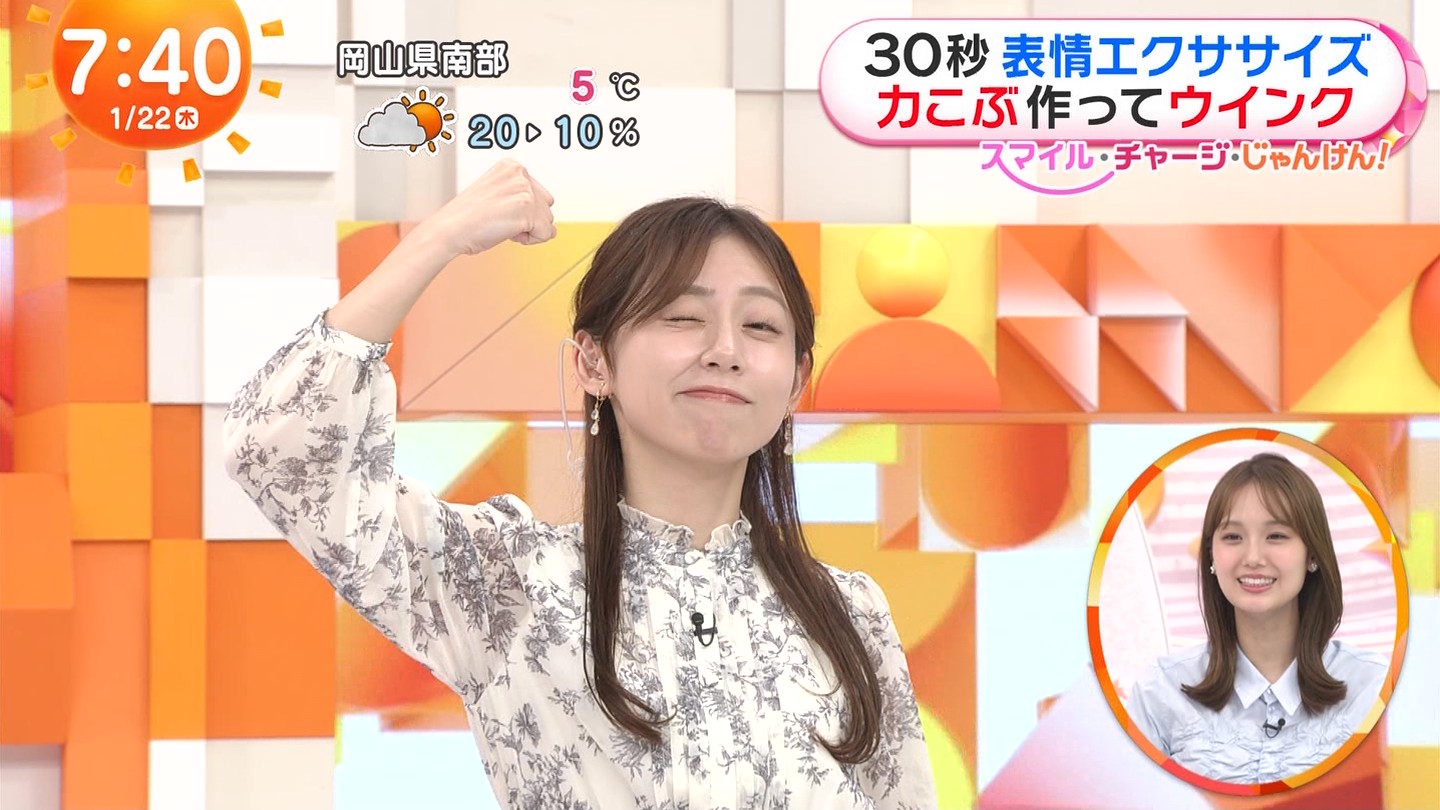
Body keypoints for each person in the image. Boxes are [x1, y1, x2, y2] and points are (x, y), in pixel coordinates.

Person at [221, 159, 938, 808]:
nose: (725, 350)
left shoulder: (851, 613)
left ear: (796, 382)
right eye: (683, 316)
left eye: (759, 326)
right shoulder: (508, 581)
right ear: (594, 363)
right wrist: (438, 239)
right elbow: (278, 452)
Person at [1123, 452, 1389, 784]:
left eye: (1276, 535)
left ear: (1312, 554)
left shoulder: (1372, 687)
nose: (1252, 557)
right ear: (1211, 555)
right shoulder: (1160, 690)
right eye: (1232, 537)